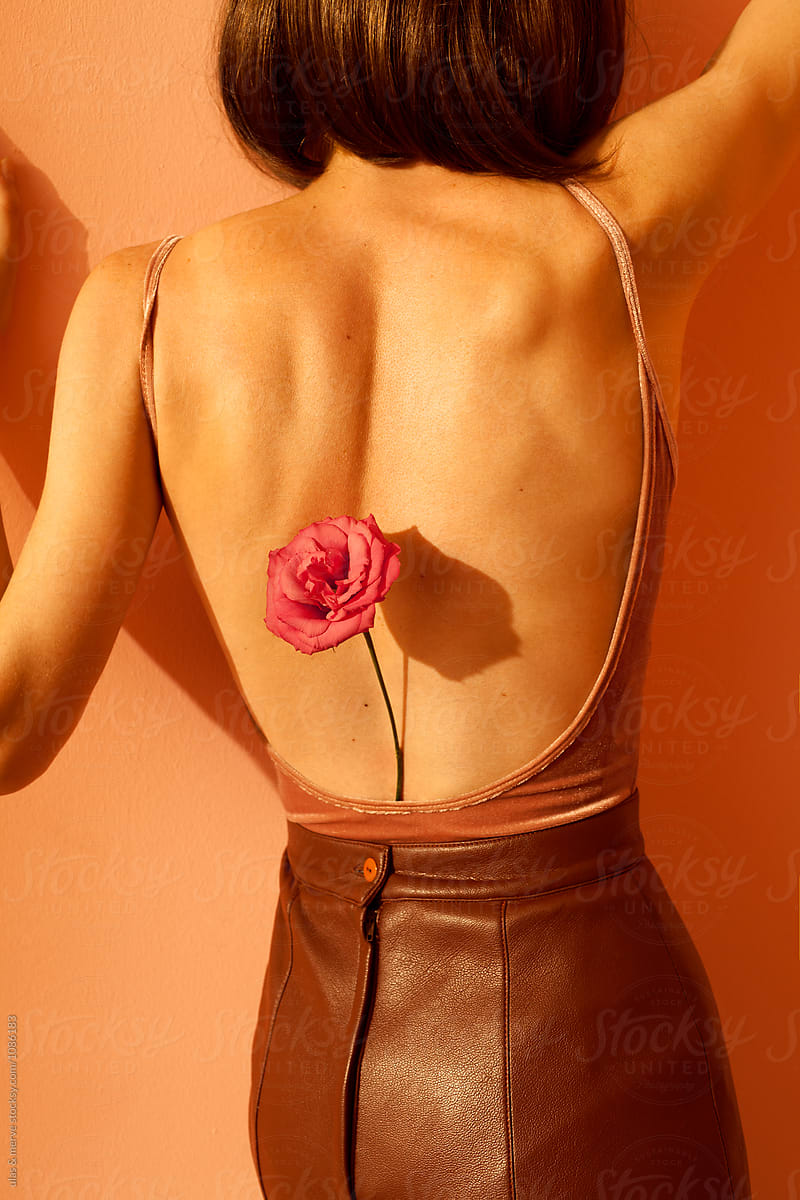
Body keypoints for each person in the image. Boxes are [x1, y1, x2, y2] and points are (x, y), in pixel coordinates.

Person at [1, 0, 797, 1195]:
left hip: (316, 1067)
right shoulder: (619, 234)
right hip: (582, 1056)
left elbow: (12, 722)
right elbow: (776, 65)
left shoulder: (145, 307)